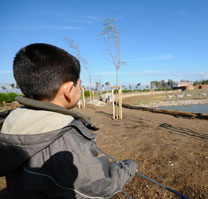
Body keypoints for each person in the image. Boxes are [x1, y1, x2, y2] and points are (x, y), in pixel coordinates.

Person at [0, 43, 138, 199]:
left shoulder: (10, 123)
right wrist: (130, 166)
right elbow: (97, 186)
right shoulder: (65, 138)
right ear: (69, 90)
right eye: (79, 85)